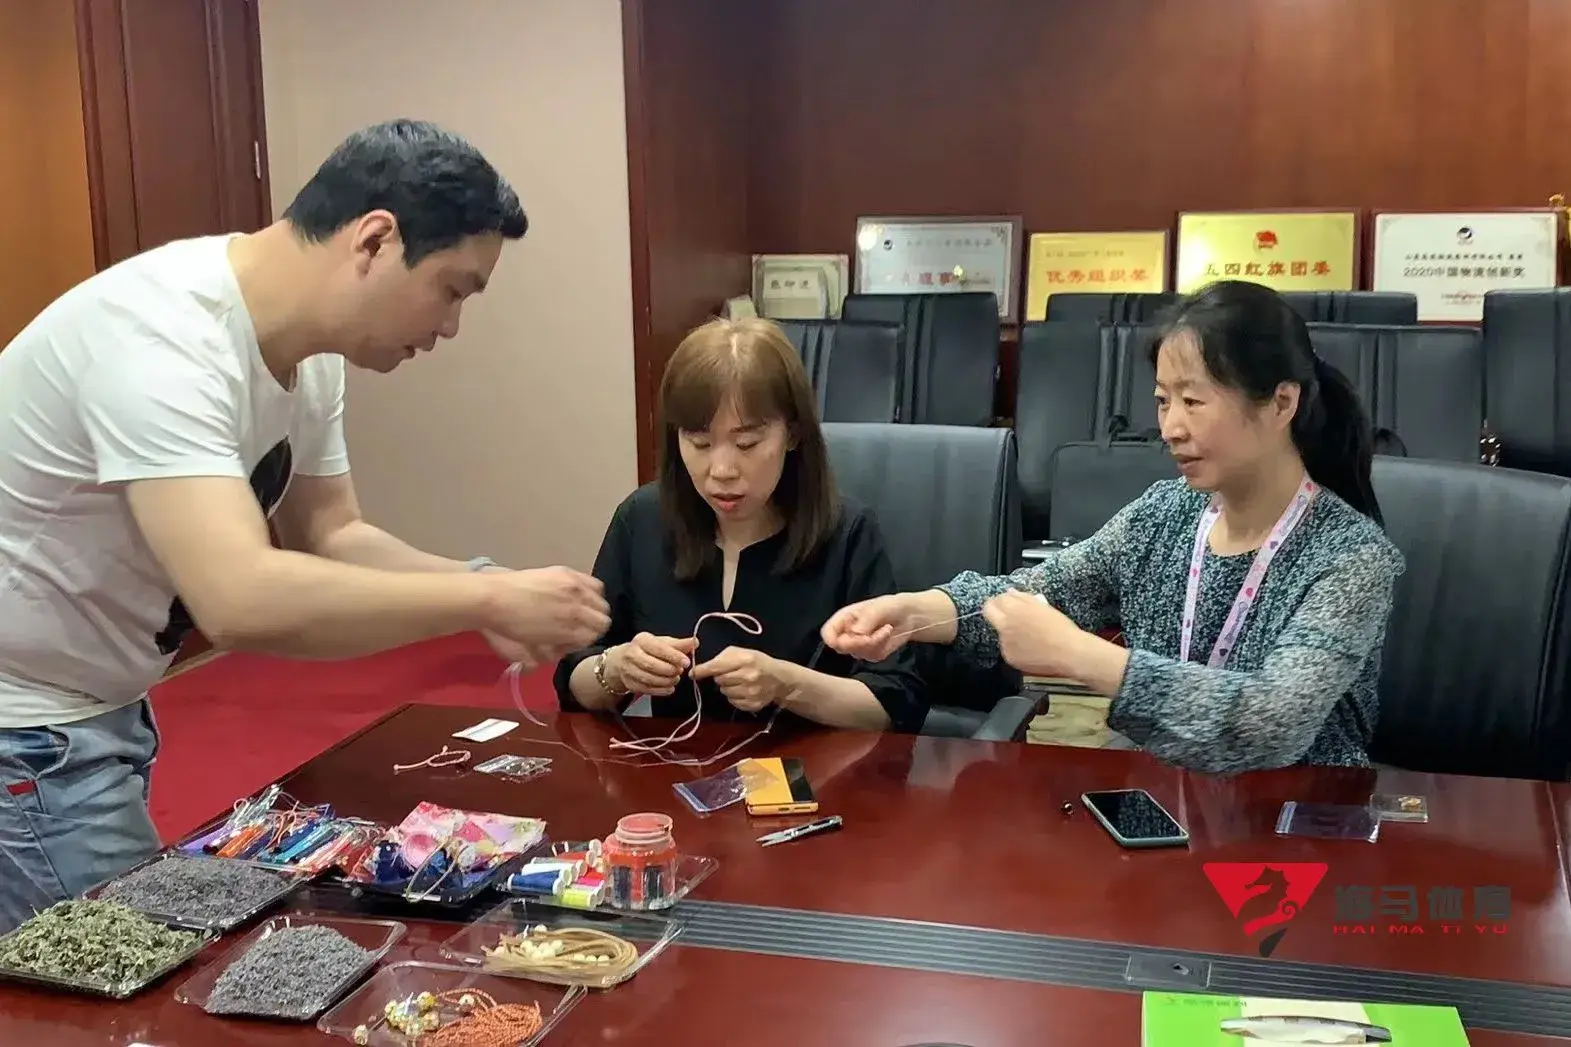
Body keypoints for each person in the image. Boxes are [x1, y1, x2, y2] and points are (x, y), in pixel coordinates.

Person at [0, 119, 610, 932]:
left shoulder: (308, 352)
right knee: (139, 969)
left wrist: (484, 582)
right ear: (374, 241)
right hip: (28, 724)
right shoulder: (163, 337)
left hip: (98, 707)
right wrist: (485, 603)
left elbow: (334, 535)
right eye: (453, 289)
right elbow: (239, 598)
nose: (451, 325)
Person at [822, 280, 1405, 774]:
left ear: (1281, 404)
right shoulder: (1164, 513)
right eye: (1163, 401)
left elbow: (1271, 724)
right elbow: (1043, 591)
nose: (1171, 428)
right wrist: (915, 613)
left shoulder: (1350, 557)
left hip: (1296, 820)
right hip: (1162, 803)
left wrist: (1080, 656)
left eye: (1193, 402)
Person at [555, 317, 927, 735]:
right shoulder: (641, 520)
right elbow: (573, 682)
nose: (722, 470)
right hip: (677, 769)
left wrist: (788, 685)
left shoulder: (847, 534)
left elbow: (896, 703)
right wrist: (616, 669)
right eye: (699, 443)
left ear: (793, 433)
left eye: (747, 444)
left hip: (810, 771)